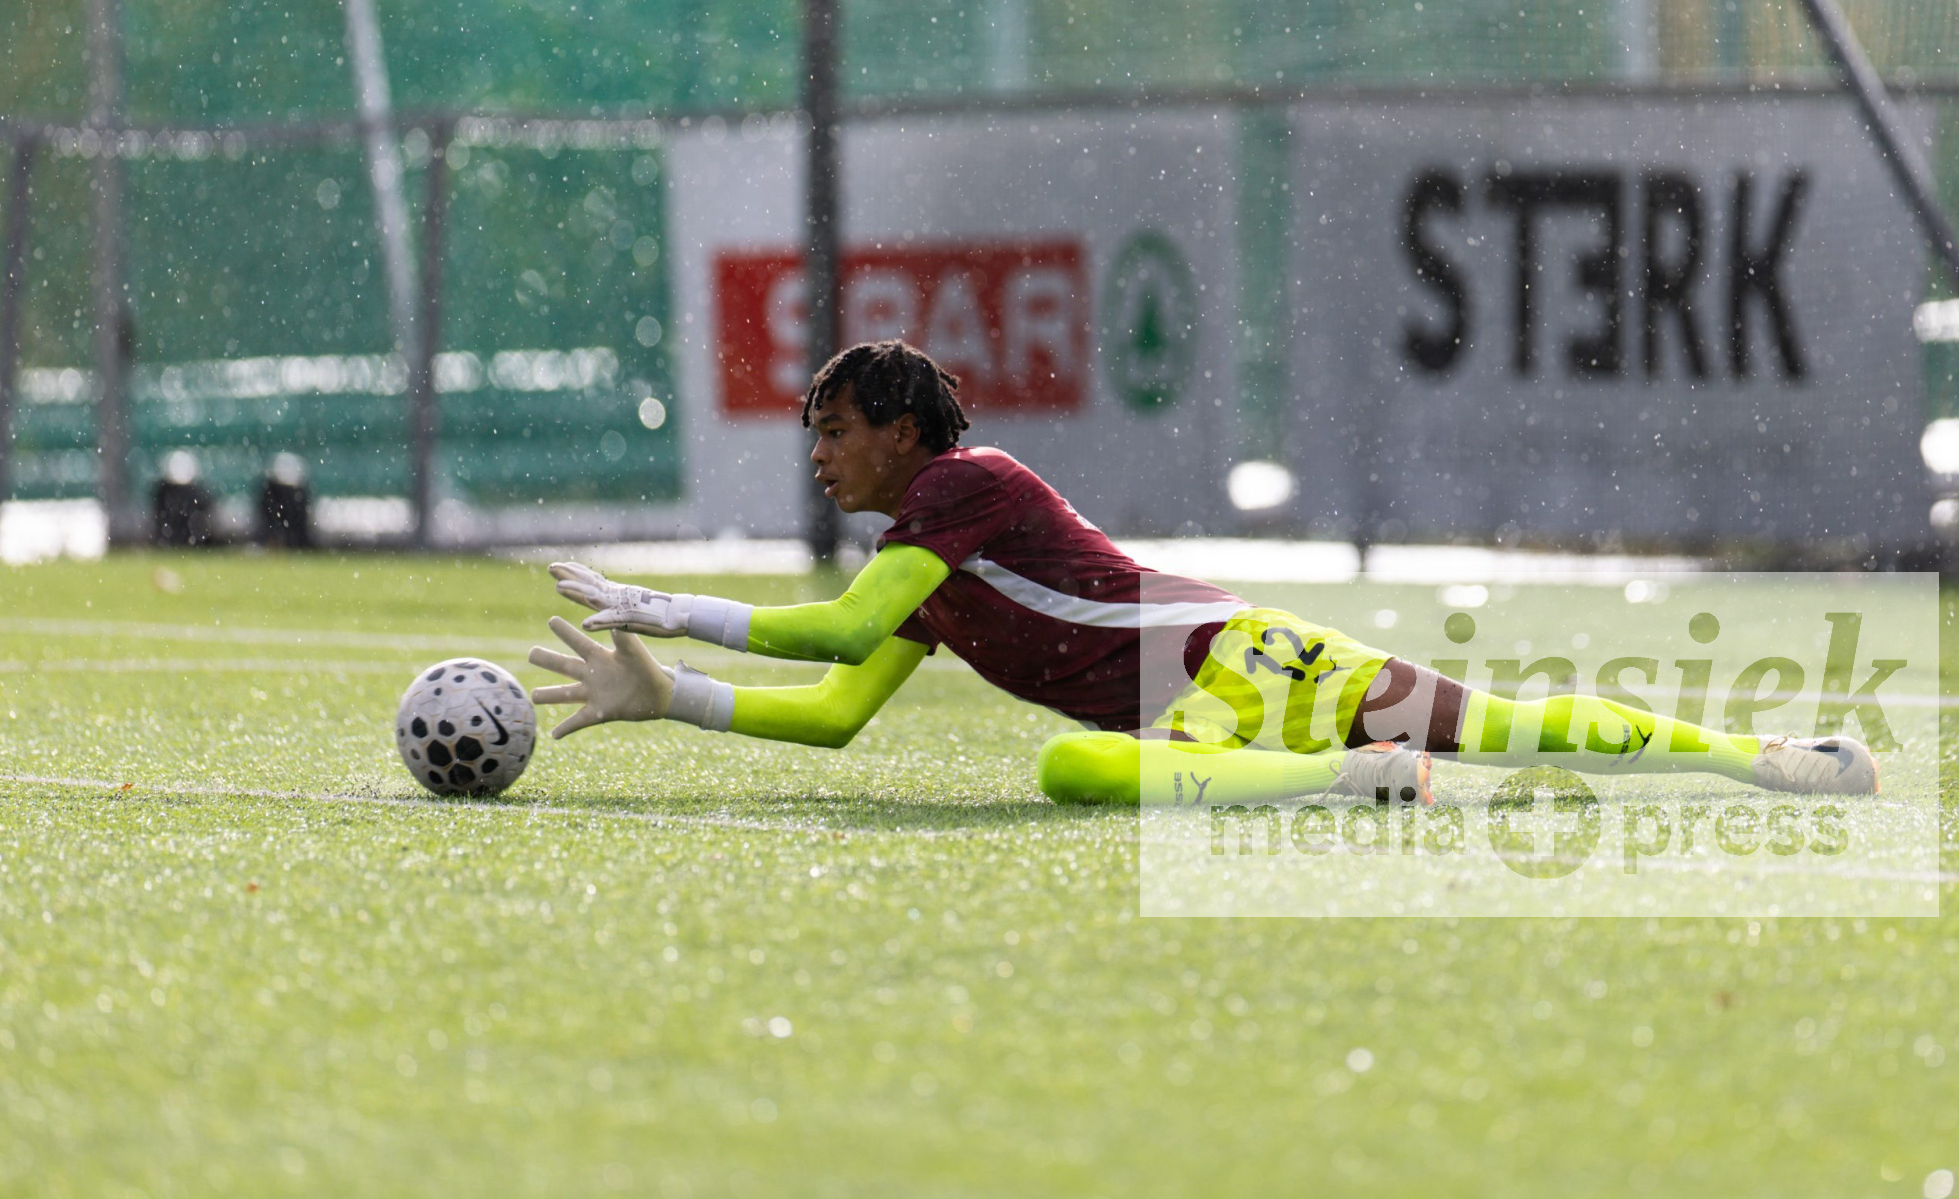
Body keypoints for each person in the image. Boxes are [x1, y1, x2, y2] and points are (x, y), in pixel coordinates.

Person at [527, 340, 1877, 804]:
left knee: (1503, 726)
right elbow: (836, 711)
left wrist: (670, 609)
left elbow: (836, 632)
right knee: (1073, 768)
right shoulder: (922, 559)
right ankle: (1354, 783)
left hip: (1242, 660)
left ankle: (1767, 758)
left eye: (831, 430)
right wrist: (671, 696)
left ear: (898, 431)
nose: (818, 456)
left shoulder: (966, 487)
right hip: (1195, 714)